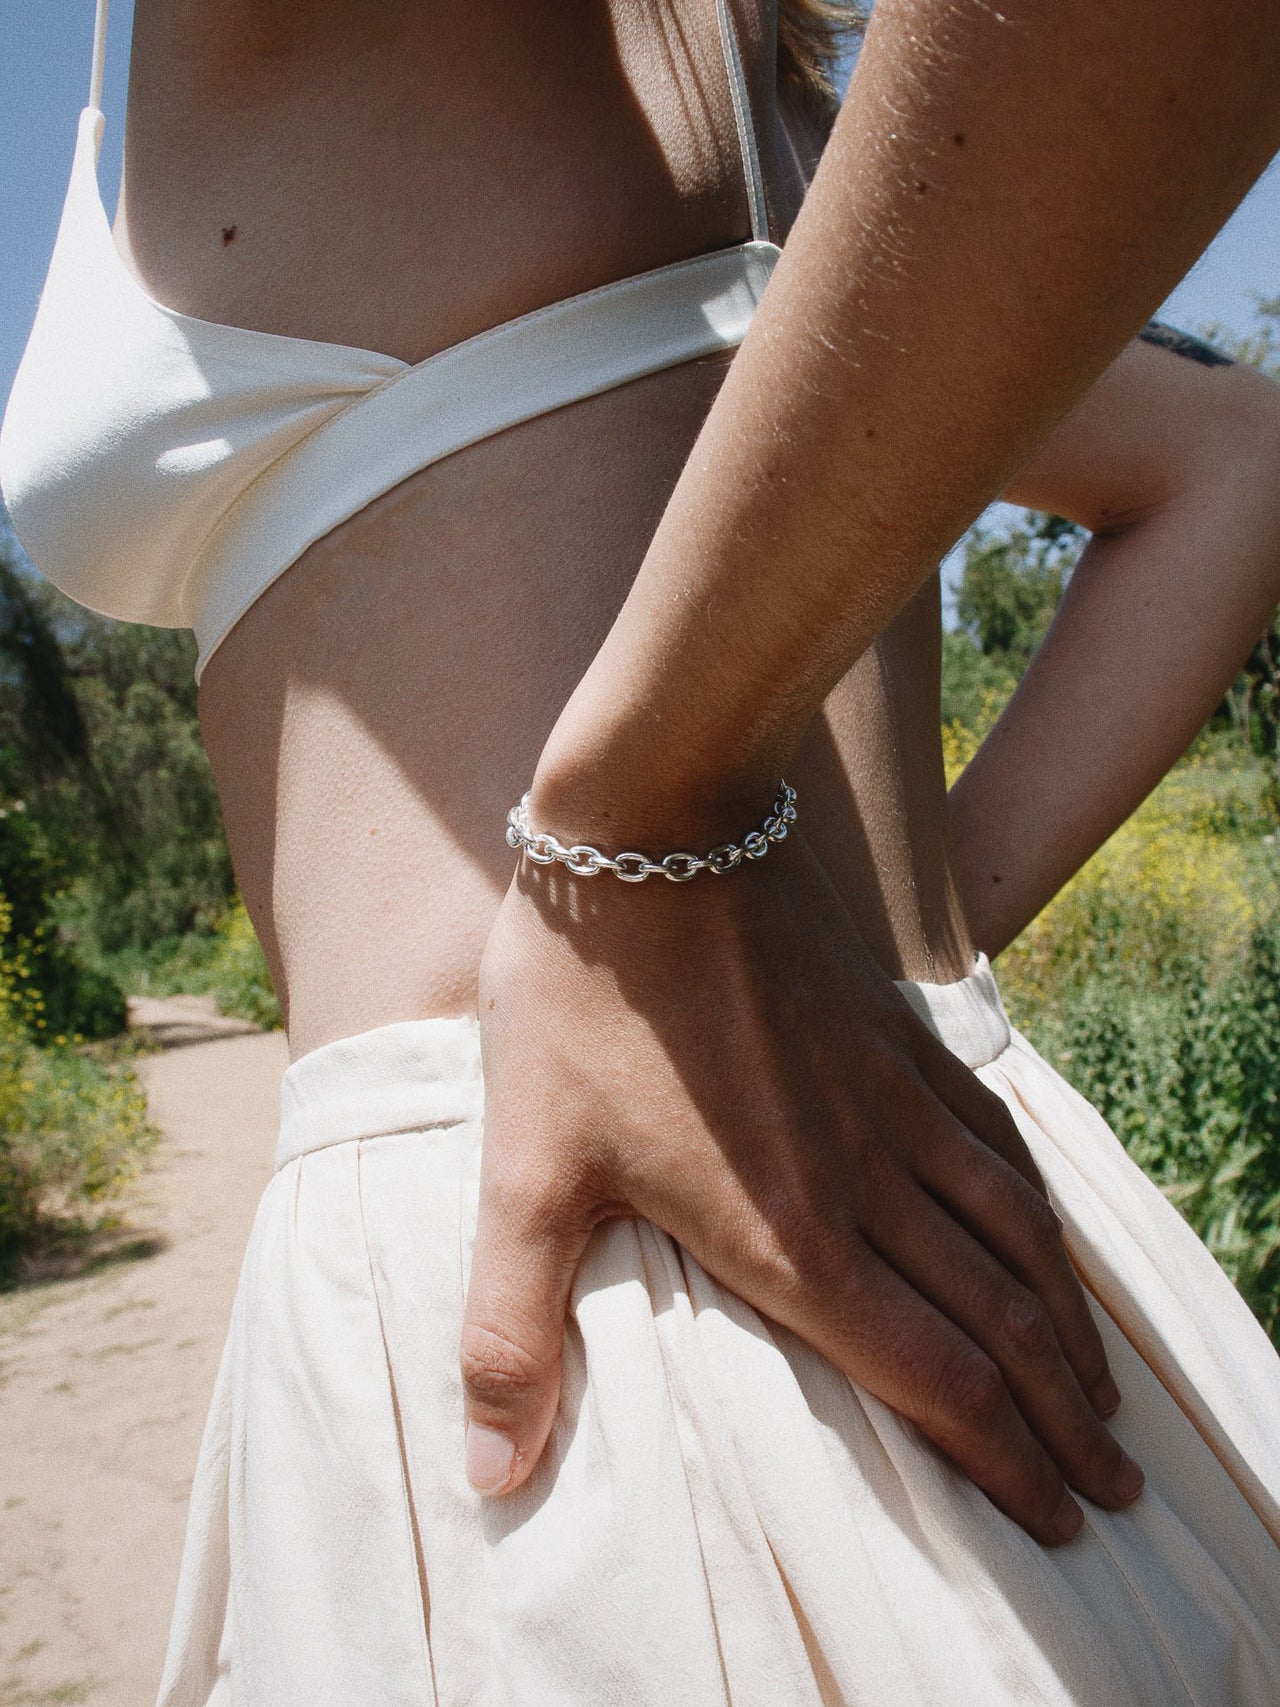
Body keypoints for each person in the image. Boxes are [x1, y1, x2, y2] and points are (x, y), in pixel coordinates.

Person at [3, 0, 1280, 1700]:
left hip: (630, 1323)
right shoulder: (765, 139)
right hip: (873, 1196)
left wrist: (639, 828)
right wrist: (896, 944)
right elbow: (1229, 457)